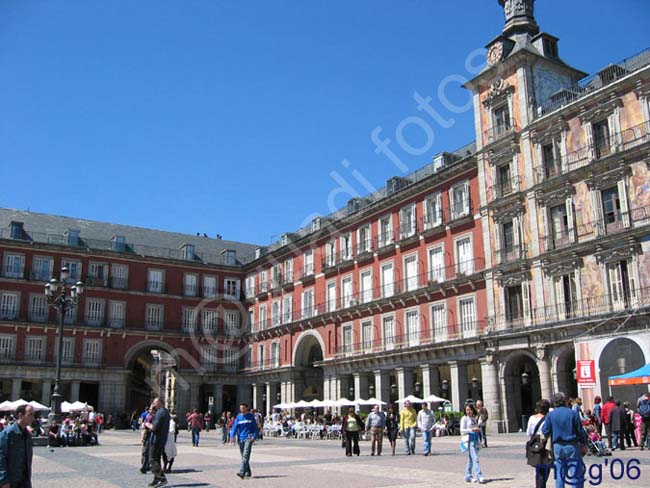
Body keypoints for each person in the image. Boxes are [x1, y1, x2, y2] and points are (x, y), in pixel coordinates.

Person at [541, 392, 587, 488]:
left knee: (559, 473)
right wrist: (583, 443)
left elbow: (545, 431)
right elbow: (580, 431)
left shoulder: (550, 415)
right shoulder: (573, 413)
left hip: (557, 446)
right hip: (572, 445)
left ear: (554, 403)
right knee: (575, 472)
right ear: (565, 401)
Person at [0, 404, 34, 488]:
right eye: (30, 415)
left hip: (24, 481)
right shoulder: (7, 434)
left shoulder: (28, 435)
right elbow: (0, 458)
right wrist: (3, 480)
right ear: (20, 415)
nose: (33, 418)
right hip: (10, 481)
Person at [144, 397, 170, 488]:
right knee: (157, 459)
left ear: (160, 403)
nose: (153, 403)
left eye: (155, 402)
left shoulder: (160, 412)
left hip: (156, 440)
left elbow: (155, 427)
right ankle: (156, 479)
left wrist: (147, 424)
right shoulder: (165, 412)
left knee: (152, 459)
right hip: (161, 439)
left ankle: (162, 478)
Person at [230, 403, 258, 479]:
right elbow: (234, 427)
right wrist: (232, 436)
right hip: (241, 439)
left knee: (245, 455)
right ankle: (248, 472)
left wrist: (254, 437)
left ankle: (242, 472)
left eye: (243, 408)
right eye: (241, 408)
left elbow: (255, 428)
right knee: (244, 456)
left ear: (246, 408)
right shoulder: (238, 417)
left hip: (248, 438)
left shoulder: (250, 417)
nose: (242, 409)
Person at [527, 399, 551, 488]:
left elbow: (529, 433)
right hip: (546, 444)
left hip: (535, 445)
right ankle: (541, 485)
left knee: (539, 469)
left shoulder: (532, 418)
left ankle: (540, 485)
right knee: (546, 467)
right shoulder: (549, 418)